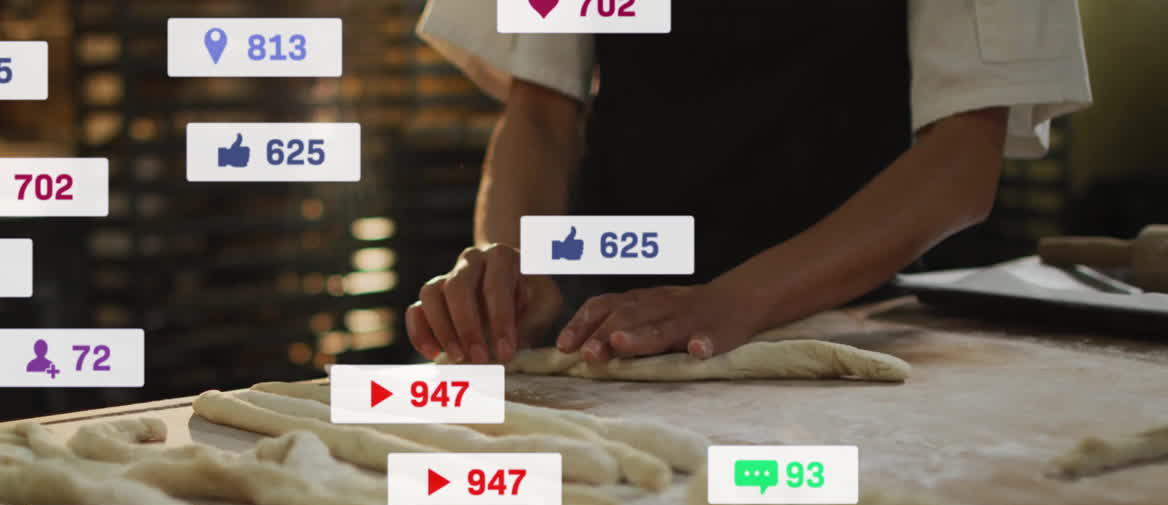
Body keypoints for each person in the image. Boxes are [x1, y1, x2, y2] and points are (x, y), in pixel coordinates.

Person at [407, 1, 1091, 365]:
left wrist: (736, 300)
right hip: (601, 329)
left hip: (838, 323)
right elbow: (544, 111)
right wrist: (517, 269)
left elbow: (962, 157)